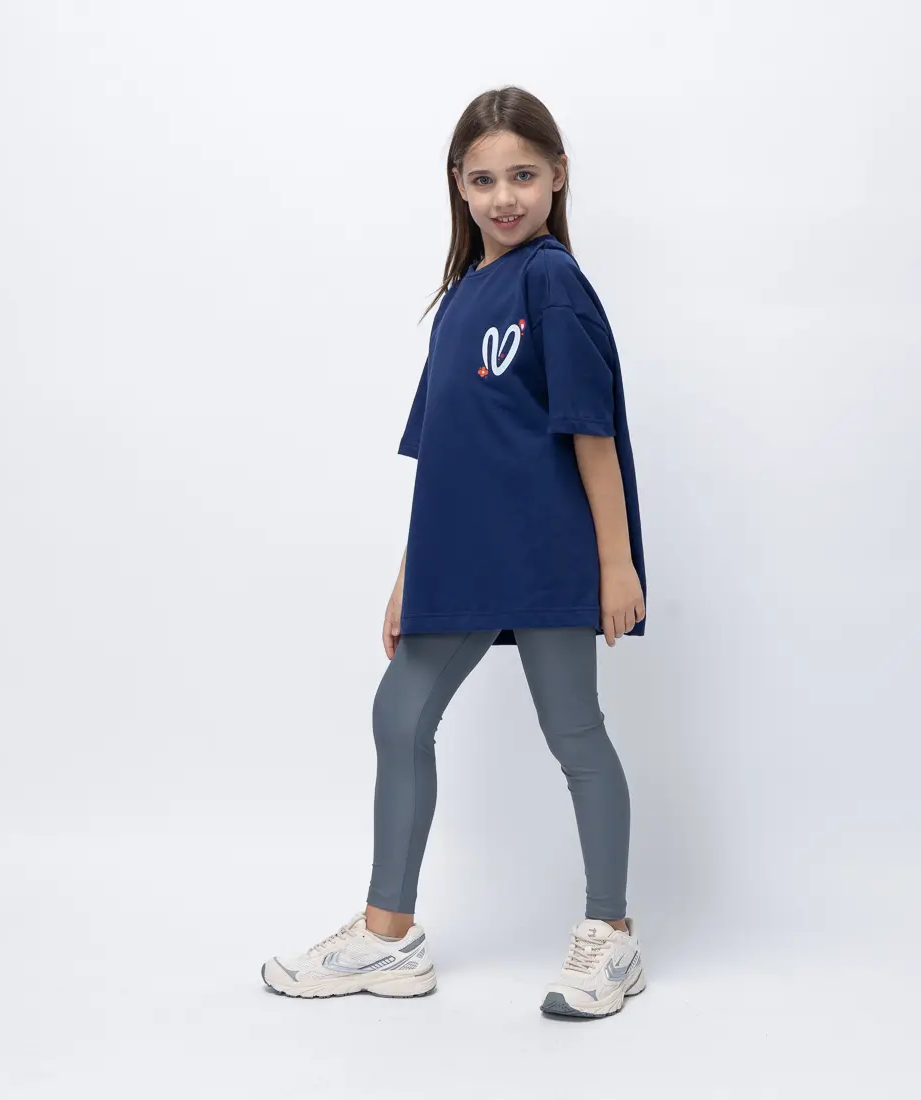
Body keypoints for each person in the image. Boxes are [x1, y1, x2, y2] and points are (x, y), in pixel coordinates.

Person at [261, 86, 648, 1019]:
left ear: (558, 176)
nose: (504, 196)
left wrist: (616, 562)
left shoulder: (553, 282)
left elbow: (590, 431)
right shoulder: (460, 298)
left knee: (574, 733)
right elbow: (443, 454)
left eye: (523, 175)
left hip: (549, 554)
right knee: (399, 716)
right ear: (458, 185)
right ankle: (388, 936)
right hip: (463, 557)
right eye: (483, 180)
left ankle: (611, 935)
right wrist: (410, 577)